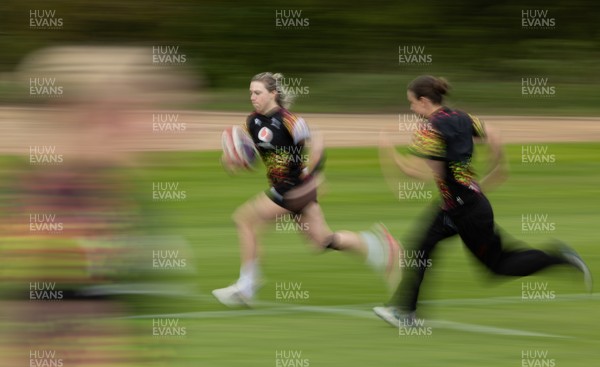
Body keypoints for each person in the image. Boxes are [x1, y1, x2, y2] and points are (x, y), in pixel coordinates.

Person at [373, 75, 592, 326]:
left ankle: (559, 257)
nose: (411, 109)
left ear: (423, 101)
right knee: (420, 247)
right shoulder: (463, 118)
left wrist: (387, 151)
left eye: (411, 103)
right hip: (458, 206)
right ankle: (406, 313)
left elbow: (415, 173)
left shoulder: (429, 129)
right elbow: (494, 135)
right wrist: (498, 166)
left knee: (498, 265)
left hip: (466, 213)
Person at [212, 72, 401, 307]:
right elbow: (243, 150)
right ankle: (379, 246)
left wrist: (313, 174)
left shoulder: (290, 121)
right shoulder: (252, 121)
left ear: (273, 94)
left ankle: (247, 286)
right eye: (250, 92)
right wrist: (231, 159)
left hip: (293, 189)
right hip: (293, 190)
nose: (253, 97)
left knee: (245, 219)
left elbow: (318, 145)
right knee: (321, 241)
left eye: (257, 92)